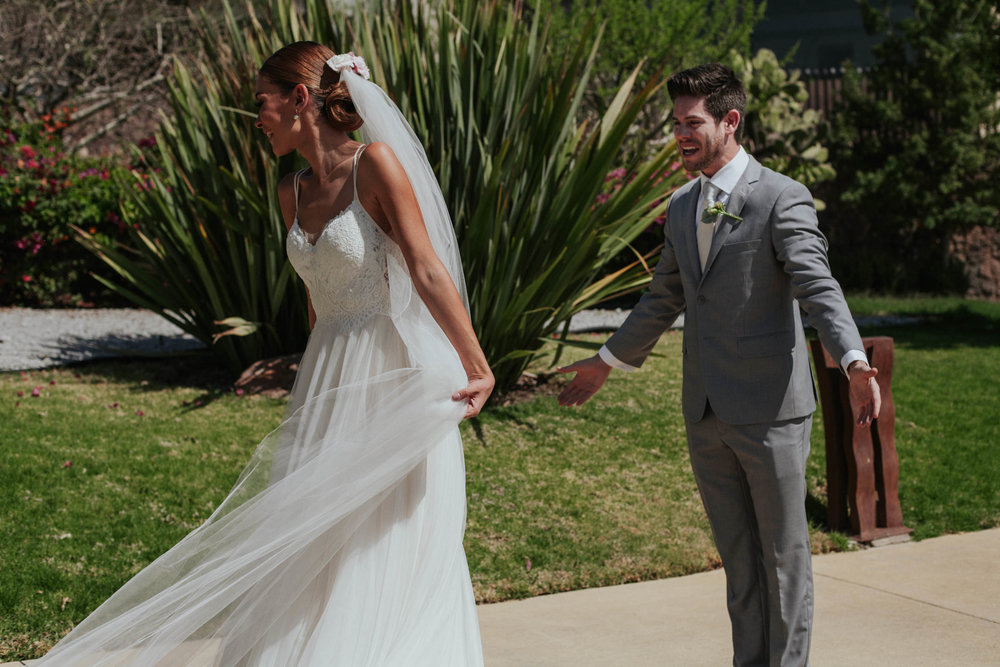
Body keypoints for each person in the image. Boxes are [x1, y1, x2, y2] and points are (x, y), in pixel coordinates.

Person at [38, 42, 493, 666]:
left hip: (385, 368)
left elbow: (425, 269)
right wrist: (311, 372)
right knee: (312, 527)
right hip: (328, 369)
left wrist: (476, 366)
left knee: (377, 531)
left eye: (263, 103)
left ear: (301, 98)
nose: (258, 118)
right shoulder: (291, 189)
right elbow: (315, 295)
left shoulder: (377, 165)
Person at [558, 63, 880, 667]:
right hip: (705, 412)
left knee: (783, 560)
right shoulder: (682, 206)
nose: (679, 134)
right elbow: (663, 299)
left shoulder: (783, 197)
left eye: (692, 123)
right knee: (738, 561)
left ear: (730, 122)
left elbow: (817, 285)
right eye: (675, 123)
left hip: (771, 411)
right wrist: (606, 361)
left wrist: (854, 361)